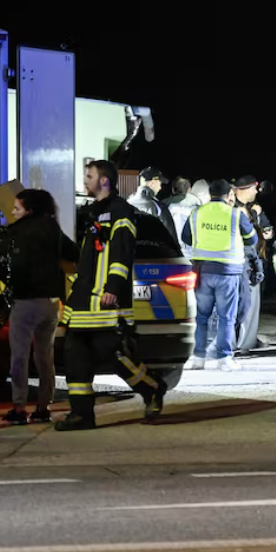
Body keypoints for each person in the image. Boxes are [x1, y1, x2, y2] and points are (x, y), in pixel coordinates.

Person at [55, 160, 167, 431]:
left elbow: (122, 252)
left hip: (105, 301)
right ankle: (81, 414)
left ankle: (152, 387)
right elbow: (86, 256)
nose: (85, 180)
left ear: (104, 181)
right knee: (75, 356)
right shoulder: (92, 212)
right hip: (83, 301)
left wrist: (113, 288)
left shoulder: (120, 212)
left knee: (112, 354)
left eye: (90, 176)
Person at [2, 189, 78, 425]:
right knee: (45, 356)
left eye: (16, 208)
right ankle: (43, 407)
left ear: (29, 210)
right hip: (51, 303)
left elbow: (15, 266)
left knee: (19, 356)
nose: (12, 213)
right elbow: (73, 252)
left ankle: (19, 407)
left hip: (26, 302)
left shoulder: (19, 232)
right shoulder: (52, 228)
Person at [183, 179, 258, 371]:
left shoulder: (197, 213)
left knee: (201, 317)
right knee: (227, 317)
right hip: (228, 272)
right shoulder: (235, 214)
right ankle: (224, 359)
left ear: (210, 194)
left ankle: (198, 358)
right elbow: (252, 239)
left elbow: (186, 237)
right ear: (229, 195)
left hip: (202, 270)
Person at [232, 175, 272, 354]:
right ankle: (241, 343)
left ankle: (247, 340)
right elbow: (245, 232)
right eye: (254, 188)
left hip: (254, 261)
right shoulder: (233, 208)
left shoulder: (254, 208)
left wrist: (267, 229)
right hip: (241, 262)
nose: (256, 191)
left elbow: (266, 229)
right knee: (238, 305)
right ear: (245, 189)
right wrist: (254, 215)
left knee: (250, 306)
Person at [127, 167, 177, 241]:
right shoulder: (158, 207)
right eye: (160, 184)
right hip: (152, 250)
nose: (160, 188)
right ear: (153, 183)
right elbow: (170, 237)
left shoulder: (128, 202)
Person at [165, 177, 201, 258]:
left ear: (173, 190)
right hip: (192, 250)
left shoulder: (164, 204)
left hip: (170, 249)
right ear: (189, 189)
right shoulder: (198, 207)